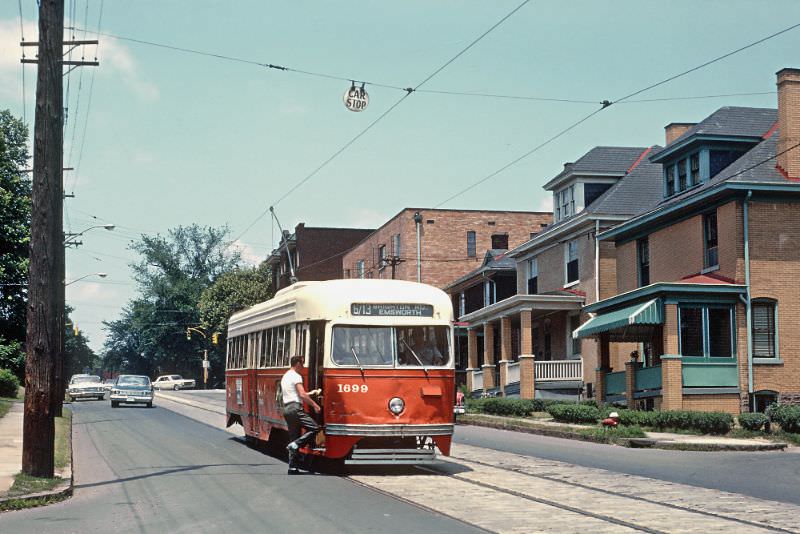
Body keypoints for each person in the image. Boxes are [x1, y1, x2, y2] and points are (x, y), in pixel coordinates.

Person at [281, 355, 321, 474]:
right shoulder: (296, 376)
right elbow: (302, 395)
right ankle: (296, 444)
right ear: (297, 363)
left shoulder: (286, 376)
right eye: (302, 364)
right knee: (315, 428)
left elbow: (297, 393)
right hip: (295, 408)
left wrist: (312, 393)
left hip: (287, 409)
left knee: (294, 436)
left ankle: (292, 468)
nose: (303, 367)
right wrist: (315, 405)